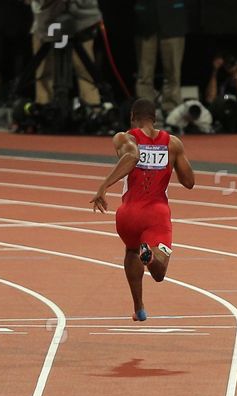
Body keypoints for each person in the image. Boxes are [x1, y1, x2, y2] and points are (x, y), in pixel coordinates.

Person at [89, 98, 195, 321]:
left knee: (130, 250)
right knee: (159, 273)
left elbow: (132, 155)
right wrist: (171, 160)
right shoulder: (173, 143)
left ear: (132, 118)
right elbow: (189, 181)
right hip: (157, 214)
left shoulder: (124, 137)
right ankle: (150, 257)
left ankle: (139, 307)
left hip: (128, 215)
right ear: (155, 119)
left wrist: (104, 186)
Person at [133, 0, 187, 112]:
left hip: (173, 17)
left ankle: (171, 110)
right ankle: (145, 113)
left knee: (173, 74)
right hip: (145, 18)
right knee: (144, 74)